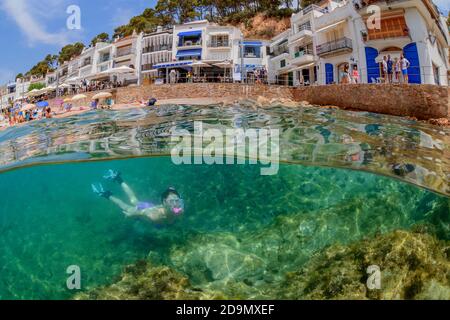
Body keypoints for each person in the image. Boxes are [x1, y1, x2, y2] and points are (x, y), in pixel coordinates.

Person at [92, 170, 185, 225]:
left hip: (151, 207)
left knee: (134, 200)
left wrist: (171, 192)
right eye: (172, 201)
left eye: (177, 200)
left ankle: (117, 178)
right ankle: (105, 194)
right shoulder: (155, 216)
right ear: (165, 202)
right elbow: (141, 212)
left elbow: (167, 208)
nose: (175, 204)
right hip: (144, 212)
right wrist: (131, 214)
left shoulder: (179, 210)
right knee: (126, 206)